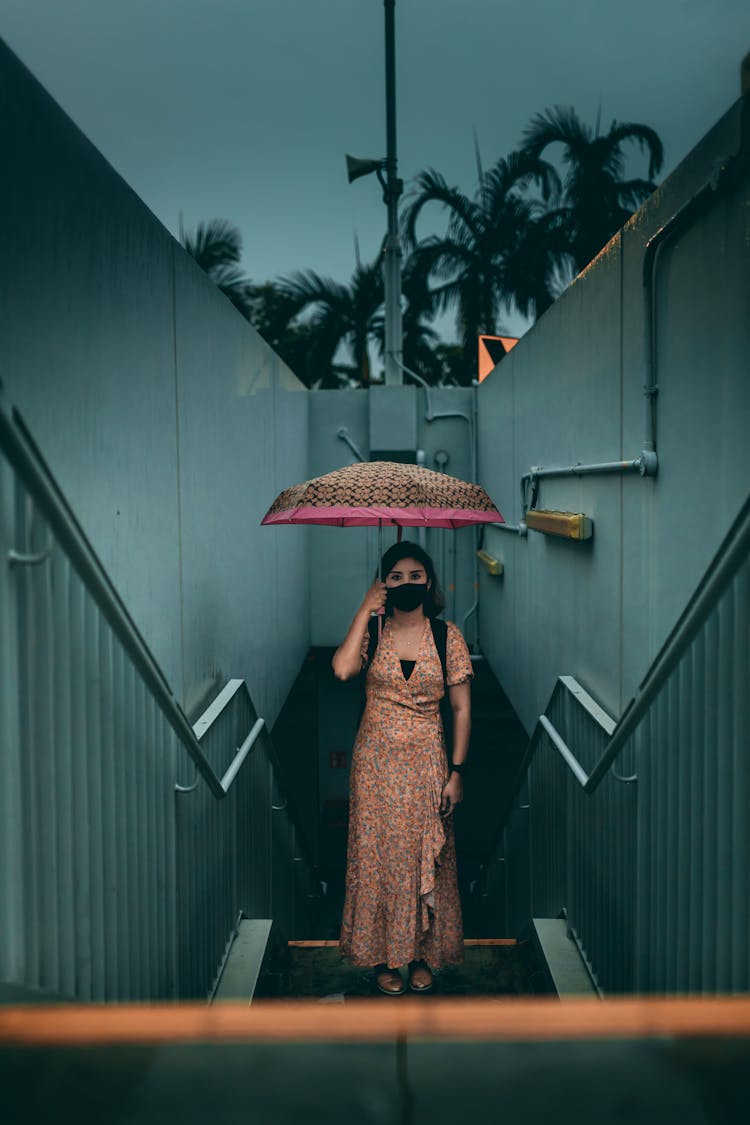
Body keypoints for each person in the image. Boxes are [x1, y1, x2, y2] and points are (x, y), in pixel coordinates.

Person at [332, 540, 472, 995]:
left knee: (423, 859)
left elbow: (462, 710)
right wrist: (363, 608)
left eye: (415, 576)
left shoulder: (446, 636)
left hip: (427, 765)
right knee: (379, 860)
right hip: (375, 767)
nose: (407, 583)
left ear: (428, 581)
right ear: (384, 584)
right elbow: (342, 670)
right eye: (396, 577)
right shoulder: (372, 630)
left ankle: (418, 956)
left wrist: (457, 771)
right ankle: (382, 958)